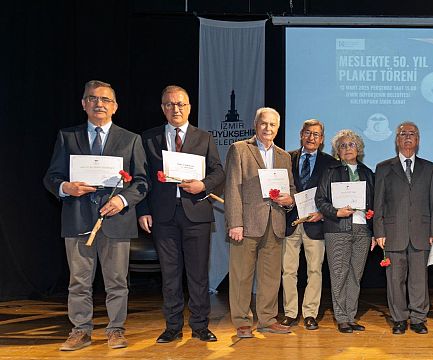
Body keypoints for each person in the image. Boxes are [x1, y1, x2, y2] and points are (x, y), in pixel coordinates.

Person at [43, 80, 148, 351]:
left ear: (115, 106)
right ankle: (80, 330)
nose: (99, 104)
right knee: (78, 281)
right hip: (78, 219)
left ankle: (115, 329)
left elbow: (141, 182)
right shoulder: (68, 136)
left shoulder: (130, 139)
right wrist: (66, 187)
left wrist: (122, 200)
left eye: (105, 99)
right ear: (83, 104)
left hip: (116, 221)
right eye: (92, 98)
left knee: (117, 281)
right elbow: (51, 177)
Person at [137, 85, 225, 343]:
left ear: (189, 107)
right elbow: (142, 177)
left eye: (181, 104)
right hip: (163, 215)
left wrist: (203, 185)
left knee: (198, 275)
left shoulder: (204, 137)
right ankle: (172, 327)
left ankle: (200, 326)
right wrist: (142, 210)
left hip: (196, 213)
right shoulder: (149, 138)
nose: (176, 108)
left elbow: (218, 171)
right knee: (170, 275)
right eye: (170, 104)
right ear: (163, 108)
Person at [224, 107, 296, 338]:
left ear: (278, 128)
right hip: (246, 224)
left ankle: (267, 319)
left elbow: (291, 189)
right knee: (241, 275)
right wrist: (235, 222)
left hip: (274, 223)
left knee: (271, 277)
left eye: (273, 125)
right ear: (256, 125)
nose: (268, 128)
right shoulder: (240, 150)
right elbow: (232, 187)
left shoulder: (284, 156)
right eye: (264, 123)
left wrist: (289, 200)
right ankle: (242, 321)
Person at [374, 121, 433, 335]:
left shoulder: (429, 168)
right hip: (393, 233)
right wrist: (379, 232)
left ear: (418, 139)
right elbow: (378, 203)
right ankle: (399, 318)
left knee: (419, 280)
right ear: (397, 140)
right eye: (403, 133)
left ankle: (418, 318)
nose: (408, 137)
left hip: (422, 233)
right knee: (395, 280)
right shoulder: (384, 168)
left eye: (412, 133)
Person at [315, 129, 374, 334]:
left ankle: (351, 315)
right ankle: (341, 318)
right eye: (342, 145)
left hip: (362, 230)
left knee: (355, 275)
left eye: (351, 144)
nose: (347, 148)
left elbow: (374, 203)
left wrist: (373, 231)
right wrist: (336, 212)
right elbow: (320, 201)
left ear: (358, 148)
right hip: (337, 229)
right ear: (337, 151)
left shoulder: (367, 172)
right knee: (339, 274)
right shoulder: (330, 170)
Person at [281, 119, 338, 330]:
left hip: (316, 224)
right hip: (290, 222)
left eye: (316, 134)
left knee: (314, 271)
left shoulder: (331, 162)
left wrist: (323, 214)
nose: (311, 137)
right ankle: (290, 313)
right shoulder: (286, 158)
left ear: (322, 139)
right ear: (301, 135)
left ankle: (310, 313)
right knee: (288, 271)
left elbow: (334, 195)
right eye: (307, 133)